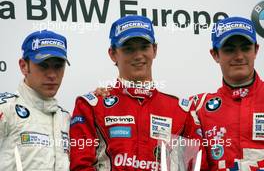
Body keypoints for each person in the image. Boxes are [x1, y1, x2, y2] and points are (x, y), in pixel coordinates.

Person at [70, 15, 192, 170]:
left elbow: (194, 165)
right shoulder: (92, 105)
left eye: (144, 47)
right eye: (129, 49)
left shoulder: (181, 110)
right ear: (113, 54)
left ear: (154, 50)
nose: (138, 55)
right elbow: (80, 166)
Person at [185, 17, 264, 170]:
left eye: (246, 48)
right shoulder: (197, 108)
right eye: (229, 49)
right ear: (215, 54)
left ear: (256, 50)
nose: (239, 56)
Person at [0, 30, 71, 170]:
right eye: (43, 65)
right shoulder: (6, 109)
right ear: (23, 66)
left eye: (58, 66)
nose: (52, 75)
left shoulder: (65, 118)